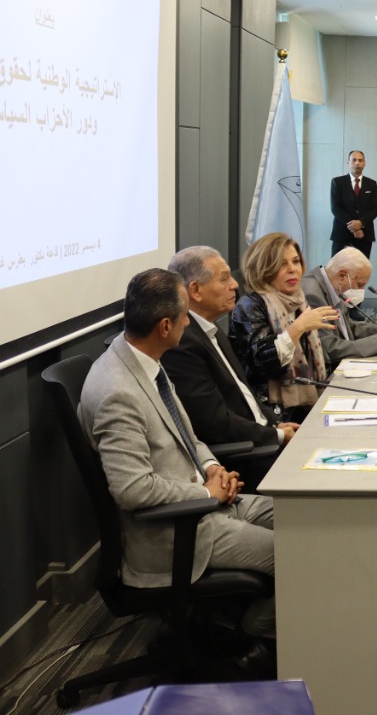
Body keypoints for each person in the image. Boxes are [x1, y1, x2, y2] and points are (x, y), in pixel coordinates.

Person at [81, 269, 276, 637]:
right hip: (177, 531)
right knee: (296, 552)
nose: (190, 322)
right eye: (185, 315)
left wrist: (212, 467)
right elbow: (131, 490)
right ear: (166, 326)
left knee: (301, 518)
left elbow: (187, 435)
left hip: (205, 503)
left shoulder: (144, 359)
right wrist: (204, 492)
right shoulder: (118, 393)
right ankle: (256, 634)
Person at [164, 247, 297, 450]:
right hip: (246, 452)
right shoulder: (183, 343)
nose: (234, 284)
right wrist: (276, 435)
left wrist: (275, 423)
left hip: (260, 435)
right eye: (224, 279)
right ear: (196, 291)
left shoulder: (210, 328)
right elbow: (214, 422)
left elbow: (244, 393)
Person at [229, 233, 337, 421]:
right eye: (281, 264)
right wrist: (299, 327)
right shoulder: (250, 306)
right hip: (272, 411)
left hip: (306, 401)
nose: (292, 269)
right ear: (263, 268)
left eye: (296, 261)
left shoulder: (298, 300)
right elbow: (262, 363)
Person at [301, 247, 377, 361]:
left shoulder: (333, 285)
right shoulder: (313, 295)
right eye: (360, 284)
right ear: (342, 276)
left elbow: (347, 328)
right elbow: (330, 349)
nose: (362, 290)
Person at [329, 149, 377, 257]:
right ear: (348, 162)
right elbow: (335, 207)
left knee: (361, 267)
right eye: (354, 160)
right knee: (338, 266)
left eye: (360, 160)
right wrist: (354, 227)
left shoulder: (372, 184)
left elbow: (375, 209)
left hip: (364, 236)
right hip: (342, 235)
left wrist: (361, 223)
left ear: (364, 163)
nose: (357, 163)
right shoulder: (337, 182)